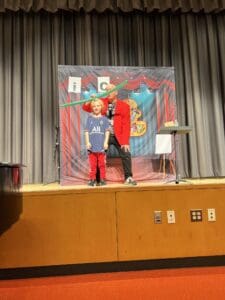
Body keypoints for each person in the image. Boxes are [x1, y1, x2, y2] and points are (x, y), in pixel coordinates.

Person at [83, 83, 137, 186]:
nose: (108, 92)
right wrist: (91, 100)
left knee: (126, 153)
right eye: (106, 90)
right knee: (97, 154)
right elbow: (86, 108)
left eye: (110, 90)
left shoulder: (124, 106)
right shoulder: (101, 102)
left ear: (116, 92)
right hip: (103, 135)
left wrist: (125, 142)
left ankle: (128, 177)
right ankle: (98, 179)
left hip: (118, 136)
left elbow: (126, 125)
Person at [84, 98, 110, 186]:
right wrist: (87, 142)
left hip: (101, 147)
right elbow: (87, 131)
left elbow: (107, 132)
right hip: (92, 147)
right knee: (93, 165)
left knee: (102, 164)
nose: (96, 107)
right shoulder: (89, 119)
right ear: (92, 107)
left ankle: (102, 179)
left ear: (101, 107)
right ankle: (92, 179)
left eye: (98, 106)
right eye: (94, 106)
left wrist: (106, 142)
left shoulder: (105, 119)